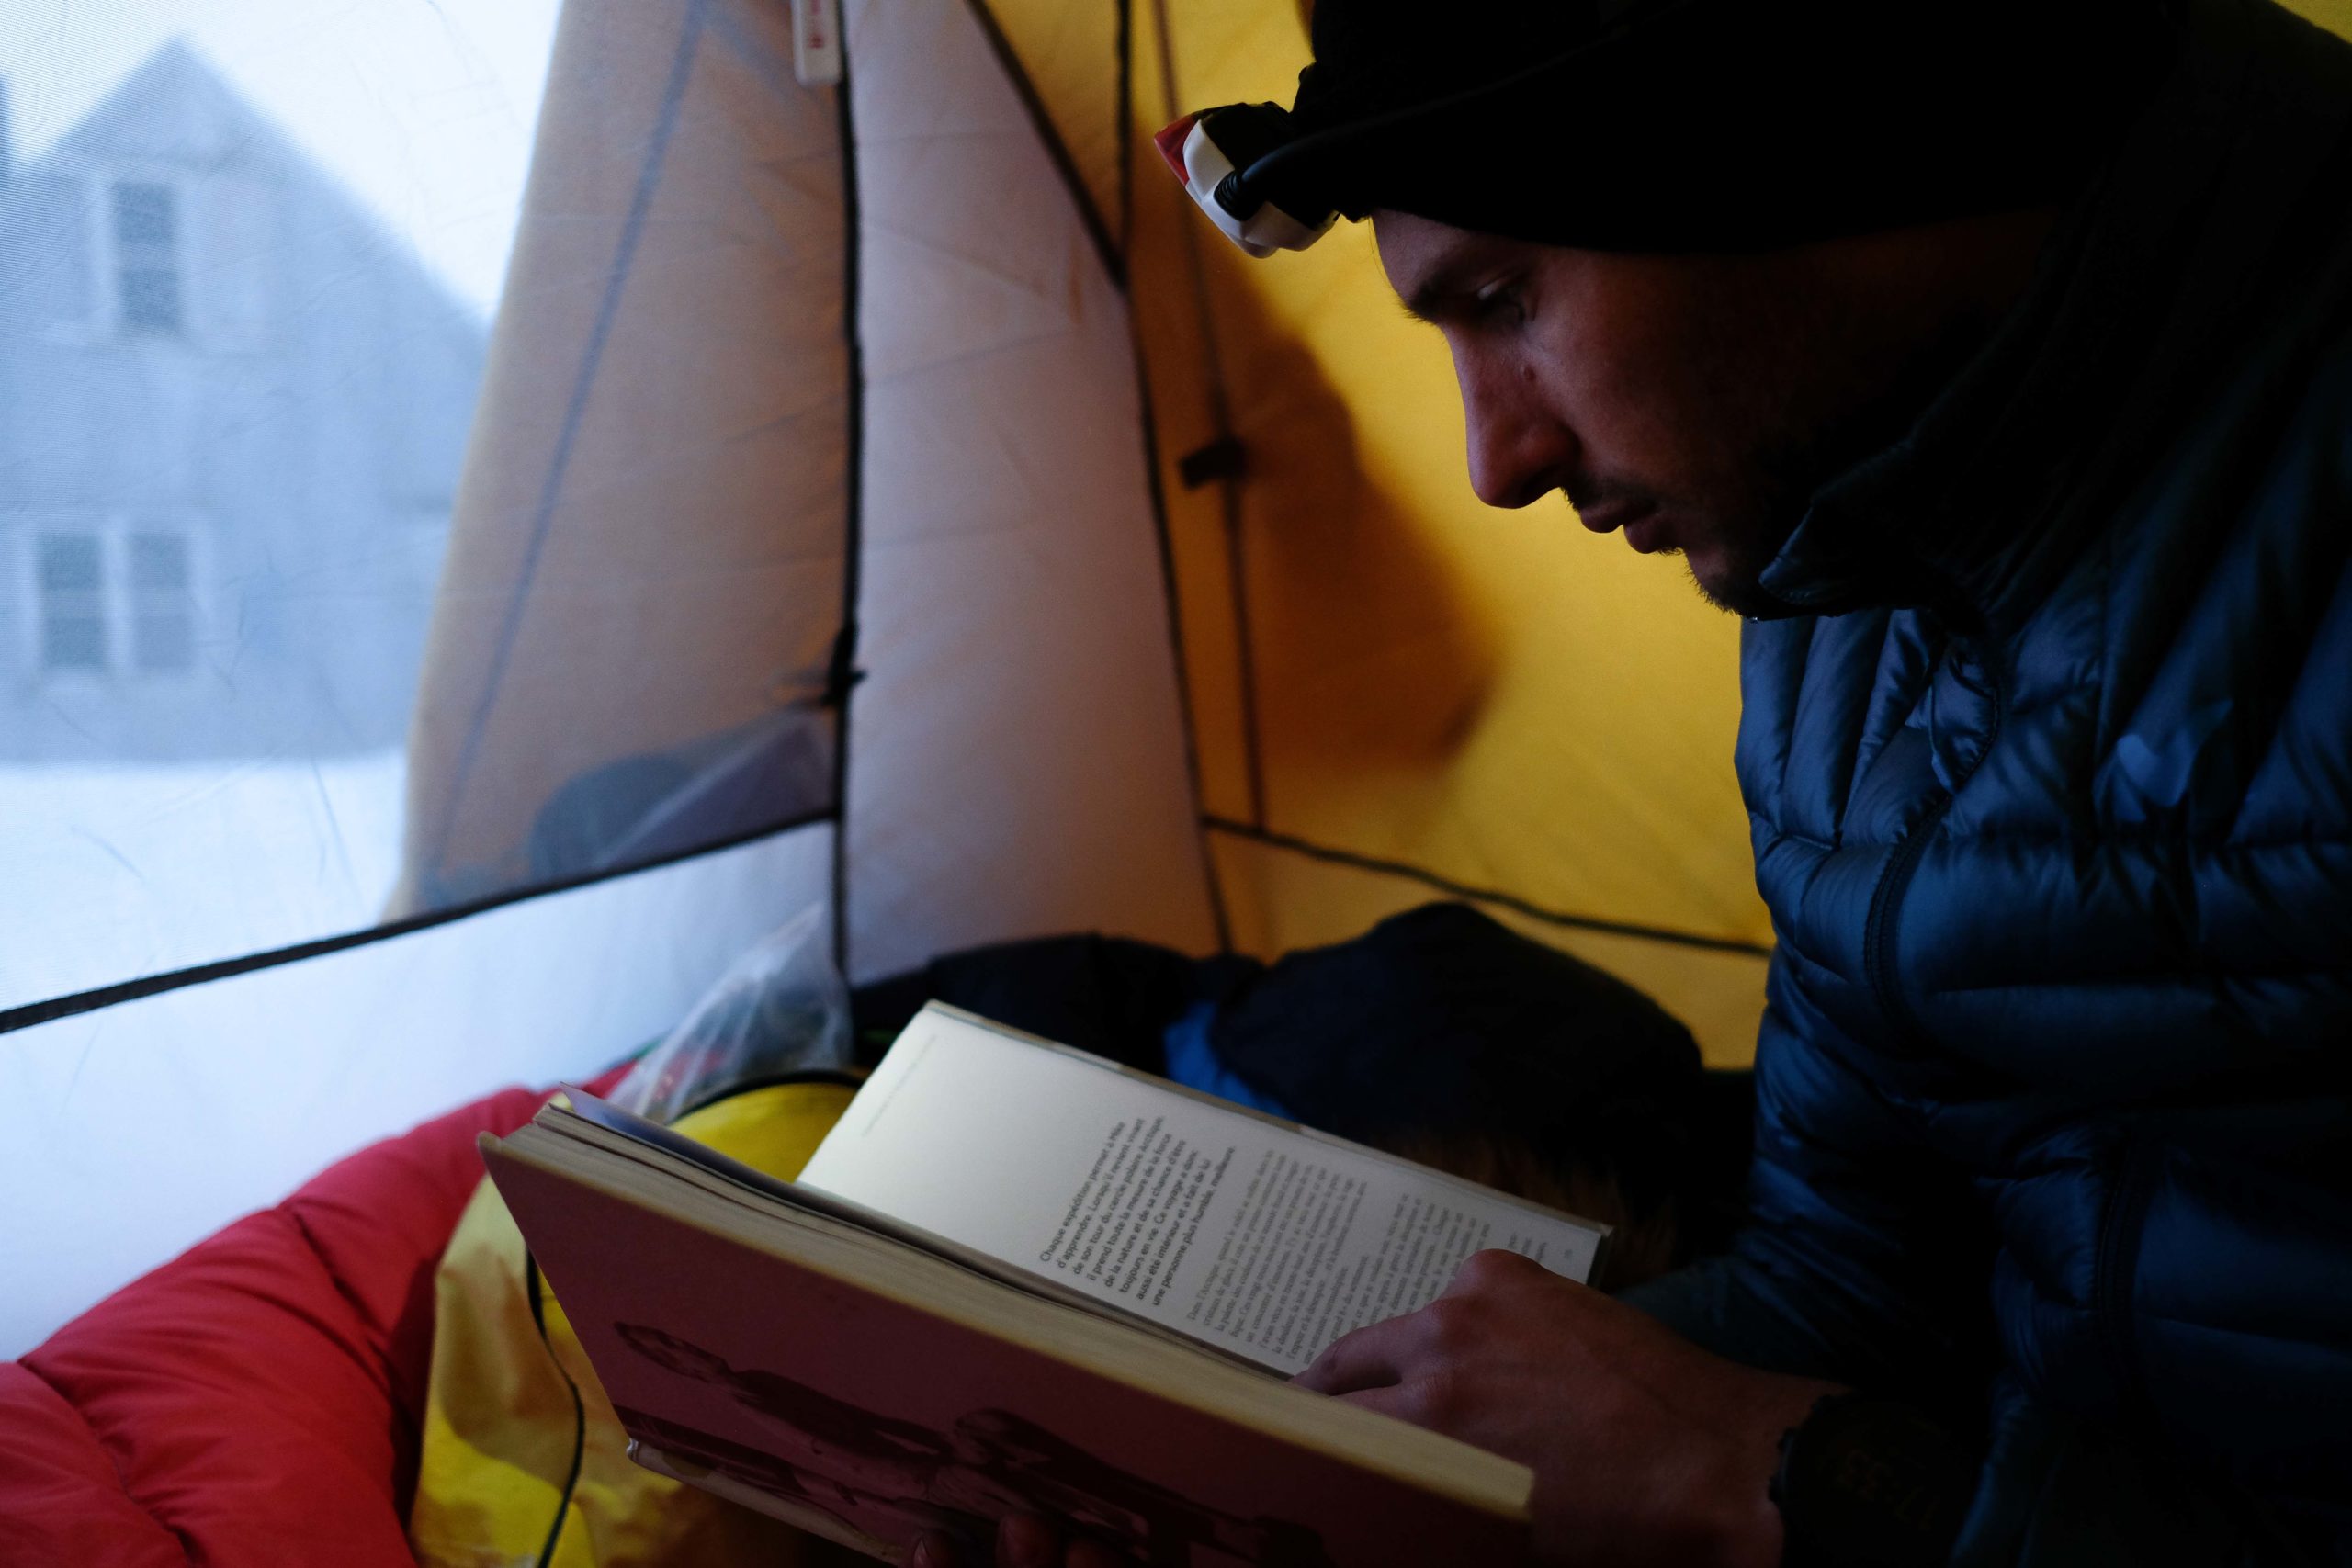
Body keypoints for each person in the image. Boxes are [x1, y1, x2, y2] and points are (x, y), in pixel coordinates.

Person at [922, 0, 2352, 1563]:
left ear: (1776, 145)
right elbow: (1847, 1284)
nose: (1498, 460)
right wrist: (1299, 1467)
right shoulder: (1848, 572)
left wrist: (1795, 1485)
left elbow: (1796, 1448)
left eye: (1505, 300)